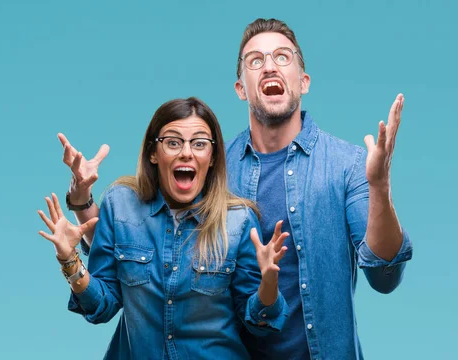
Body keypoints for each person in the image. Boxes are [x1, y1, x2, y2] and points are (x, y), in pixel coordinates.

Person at [58, 18, 413, 360]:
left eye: (282, 56)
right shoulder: (209, 165)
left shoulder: (347, 165)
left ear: (303, 80)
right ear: (241, 88)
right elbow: (148, 248)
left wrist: (379, 186)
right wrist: (81, 201)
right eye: (255, 60)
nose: (270, 66)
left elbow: (385, 275)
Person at [39, 97, 291, 360]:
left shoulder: (238, 221)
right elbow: (101, 306)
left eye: (200, 143)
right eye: (173, 142)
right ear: (153, 153)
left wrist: (269, 284)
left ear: (213, 157)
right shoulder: (120, 204)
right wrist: (69, 260)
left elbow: (258, 322)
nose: (186, 152)